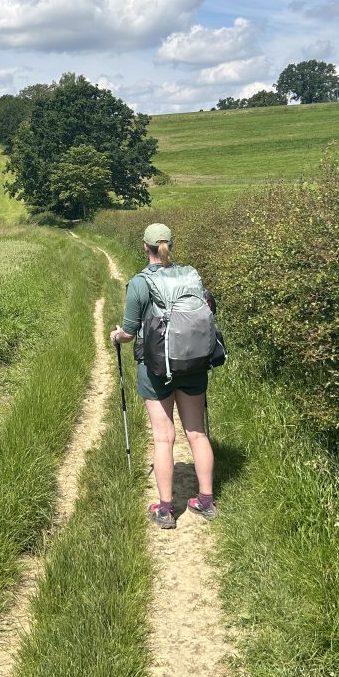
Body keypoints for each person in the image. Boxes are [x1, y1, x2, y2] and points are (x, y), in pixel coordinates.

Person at [110, 223, 217, 529]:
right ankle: (205, 501)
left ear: (145, 247)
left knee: (163, 436)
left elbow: (129, 333)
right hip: (194, 363)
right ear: (171, 245)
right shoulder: (191, 274)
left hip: (156, 368)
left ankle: (165, 509)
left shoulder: (140, 283)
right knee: (196, 432)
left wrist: (116, 335)